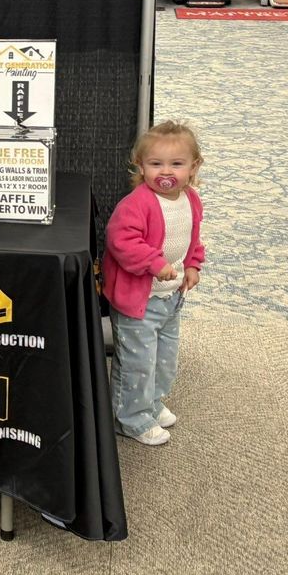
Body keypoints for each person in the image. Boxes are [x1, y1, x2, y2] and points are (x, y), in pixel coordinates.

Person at [102, 120, 206, 446]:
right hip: (139, 302)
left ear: (193, 167)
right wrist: (153, 262)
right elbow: (121, 240)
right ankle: (130, 418)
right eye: (155, 164)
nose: (167, 172)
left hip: (171, 298)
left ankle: (151, 404)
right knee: (137, 365)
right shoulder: (138, 203)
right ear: (141, 166)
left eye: (176, 164)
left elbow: (192, 239)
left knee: (164, 359)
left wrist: (193, 265)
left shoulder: (190, 200)